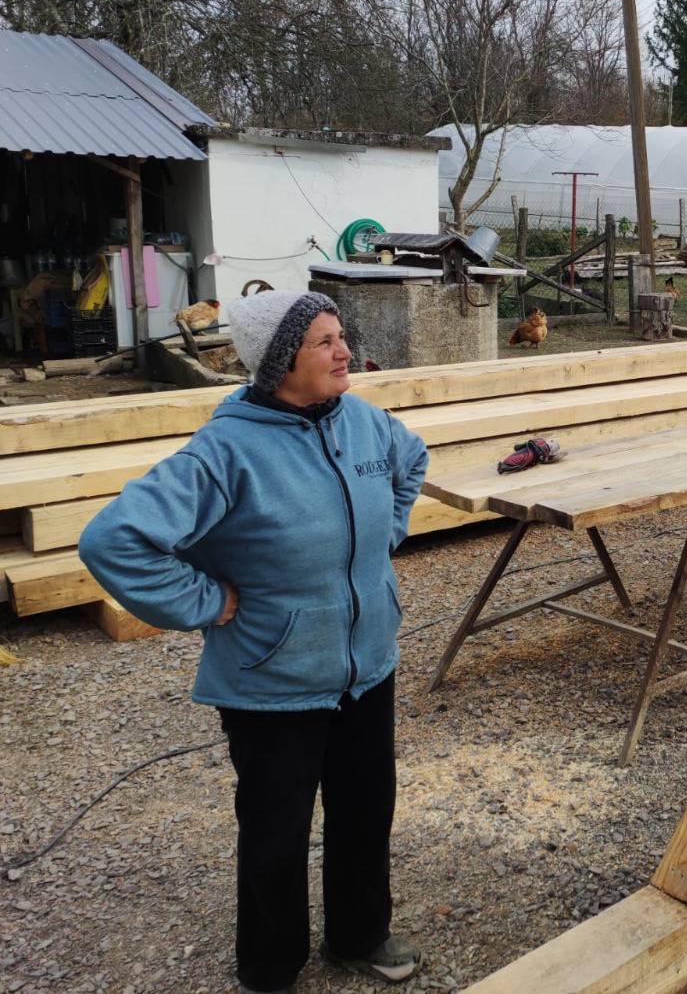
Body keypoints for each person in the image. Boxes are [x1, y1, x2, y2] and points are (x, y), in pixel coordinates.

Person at [79, 290, 430, 992]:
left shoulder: (363, 423)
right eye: (325, 342)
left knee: (366, 812)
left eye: (341, 336)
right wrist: (204, 601)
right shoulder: (225, 451)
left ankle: (359, 938)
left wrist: (386, 533)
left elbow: (411, 460)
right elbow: (113, 541)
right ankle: (270, 969)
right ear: (279, 364)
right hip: (275, 681)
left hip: (367, 668)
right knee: (276, 833)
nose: (344, 352)